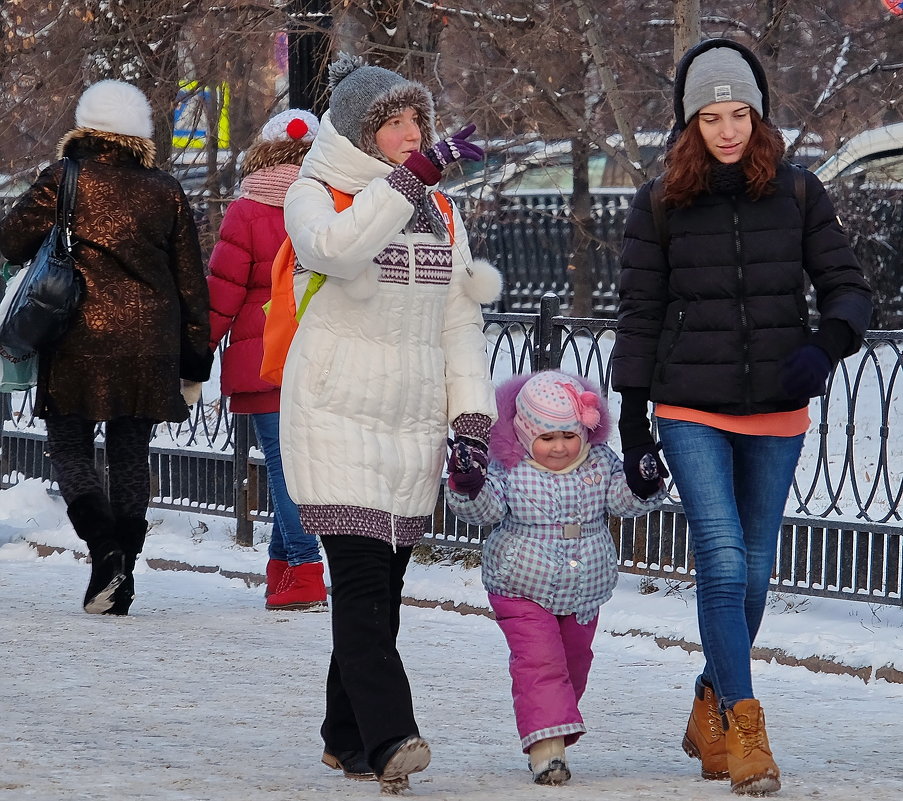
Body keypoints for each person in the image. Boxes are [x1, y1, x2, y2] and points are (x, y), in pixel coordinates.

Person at [611, 38, 873, 796]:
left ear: (756, 119)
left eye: (738, 115)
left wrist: (824, 346)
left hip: (777, 410)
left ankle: (706, 698)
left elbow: (849, 288)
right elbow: (638, 314)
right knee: (722, 561)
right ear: (688, 125)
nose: (725, 130)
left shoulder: (796, 194)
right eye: (710, 117)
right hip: (690, 404)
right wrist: (634, 423)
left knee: (753, 576)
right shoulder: (657, 204)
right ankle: (744, 726)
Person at [280, 52, 500, 793]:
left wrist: (470, 421)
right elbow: (337, 253)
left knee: (381, 589)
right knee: (364, 580)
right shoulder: (315, 192)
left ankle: (343, 735)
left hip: (408, 421)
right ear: (358, 132)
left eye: (417, 122)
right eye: (394, 123)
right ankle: (391, 737)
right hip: (335, 411)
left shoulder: (439, 209)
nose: (411, 135)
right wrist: (411, 180)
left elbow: (457, 317)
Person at [0, 80, 212, 616]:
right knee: (130, 456)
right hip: (150, 341)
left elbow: (10, 241)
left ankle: (105, 551)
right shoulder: (165, 189)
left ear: (84, 127)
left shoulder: (63, 178)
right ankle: (119, 577)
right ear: (138, 134)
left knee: (71, 450)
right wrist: (195, 360)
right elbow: (191, 281)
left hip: (75, 338)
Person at [445, 370, 666, 786]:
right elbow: (485, 511)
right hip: (521, 585)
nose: (560, 447)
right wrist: (469, 484)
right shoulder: (509, 468)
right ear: (528, 436)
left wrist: (642, 481)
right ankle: (547, 752)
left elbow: (622, 500)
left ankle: (552, 727)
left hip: (585, 588)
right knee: (540, 662)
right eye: (548, 439)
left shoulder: (600, 462)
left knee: (574, 663)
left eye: (569, 436)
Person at [207, 108, 327, 611]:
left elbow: (223, 291)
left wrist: (199, 349)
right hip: (323, 353)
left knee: (284, 467)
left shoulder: (247, 210)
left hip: (265, 360)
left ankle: (303, 569)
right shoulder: (334, 206)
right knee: (297, 464)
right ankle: (282, 567)